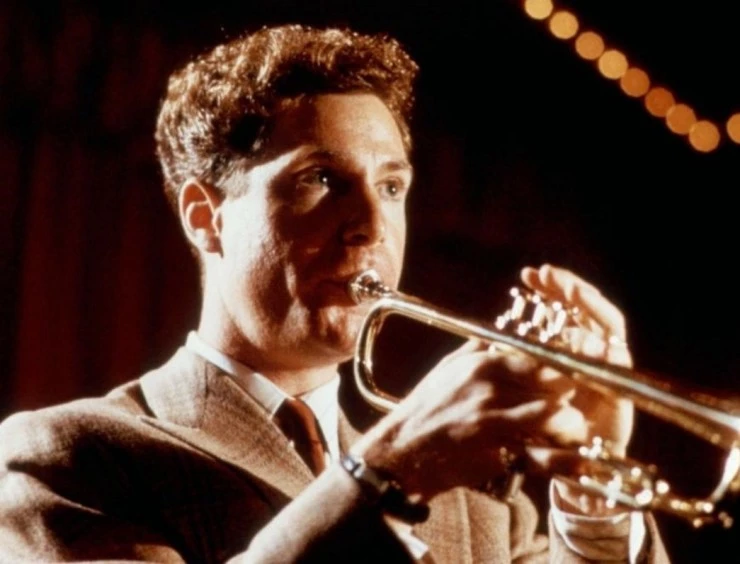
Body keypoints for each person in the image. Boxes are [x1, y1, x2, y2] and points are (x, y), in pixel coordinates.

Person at [0, 24, 669, 562]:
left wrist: (597, 492)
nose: (372, 226)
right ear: (206, 217)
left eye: (391, 186)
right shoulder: (64, 456)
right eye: (321, 179)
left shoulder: (479, 502)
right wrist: (393, 467)